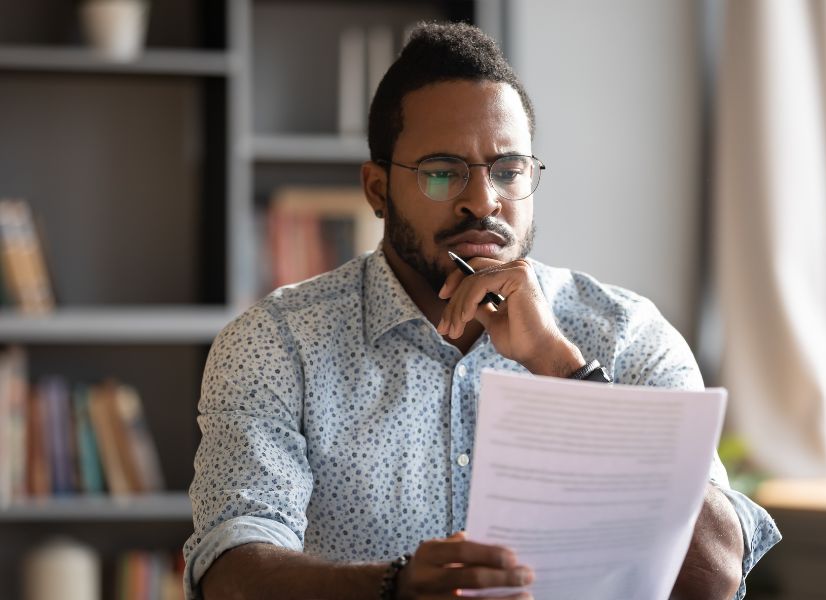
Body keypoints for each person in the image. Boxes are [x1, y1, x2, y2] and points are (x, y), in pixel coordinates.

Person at [184, 21, 780, 600]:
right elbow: (232, 568)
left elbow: (713, 577)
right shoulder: (276, 343)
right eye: (442, 173)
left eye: (507, 170)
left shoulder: (625, 335)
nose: (482, 200)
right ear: (377, 190)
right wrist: (393, 589)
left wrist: (562, 369)